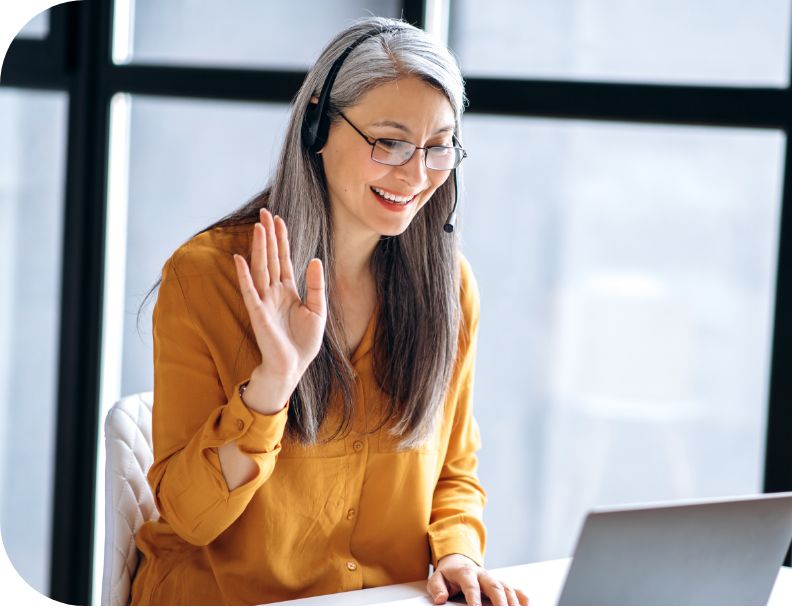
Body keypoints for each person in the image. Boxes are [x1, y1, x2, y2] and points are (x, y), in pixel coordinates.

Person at [129, 16, 528, 606]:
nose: (417, 175)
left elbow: (454, 473)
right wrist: (272, 384)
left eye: (439, 147)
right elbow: (190, 518)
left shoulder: (450, 290)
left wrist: (457, 553)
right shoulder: (206, 278)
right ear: (316, 125)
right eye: (388, 141)